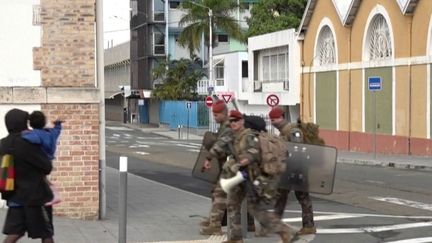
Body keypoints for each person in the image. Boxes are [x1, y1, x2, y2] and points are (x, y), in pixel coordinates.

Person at [223, 110, 293, 243]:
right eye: (231, 121)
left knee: (258, 211)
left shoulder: (249, 136)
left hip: (252, 178)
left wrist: (240, 162)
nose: (233, 123)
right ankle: (236, 238)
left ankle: (283, 230)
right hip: (241, 177)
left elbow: (253, 152)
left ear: (242, 121)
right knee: (232, 204)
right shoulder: (236, 136)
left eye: (236, 120)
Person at [0, 108, 55, 243]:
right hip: (35, 197)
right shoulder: (27, 143)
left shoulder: (2, 144)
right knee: (46, 233)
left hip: (14, 196)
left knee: (15, 233)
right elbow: (46, 167)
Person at [268, 106, 316, 235]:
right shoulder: (283, 132)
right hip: (287, 170)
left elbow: (297, 149)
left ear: (282, 118)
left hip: (297, 169)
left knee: (303, 197)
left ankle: (308, 226)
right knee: (280, 195)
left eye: (275, 119)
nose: (273, 122)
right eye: (271, 119)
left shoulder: (293, 131)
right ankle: (275, 223)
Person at [199, 100, 233, 235]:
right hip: (229, 166)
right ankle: (248, 224)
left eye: (217, 114)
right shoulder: (225, 126)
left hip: (233, 166)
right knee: (223, 193)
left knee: (219, 193)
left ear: (224, 113)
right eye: (213, 114)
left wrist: (208, 158)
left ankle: (215, 225)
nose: (215, 117)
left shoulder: (229, 126)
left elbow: (220, 145)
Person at [21, 111, 63, 206]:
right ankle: (53, 194)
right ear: (44, 122)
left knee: (42, 178)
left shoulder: (34, 135)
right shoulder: (50, 133)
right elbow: (57, 131)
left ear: (30, 123)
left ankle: (54, 194)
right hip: (49, 159)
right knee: (44, 178)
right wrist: (57, 124)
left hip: (41, 160)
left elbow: (30, 139)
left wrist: (22, 133)